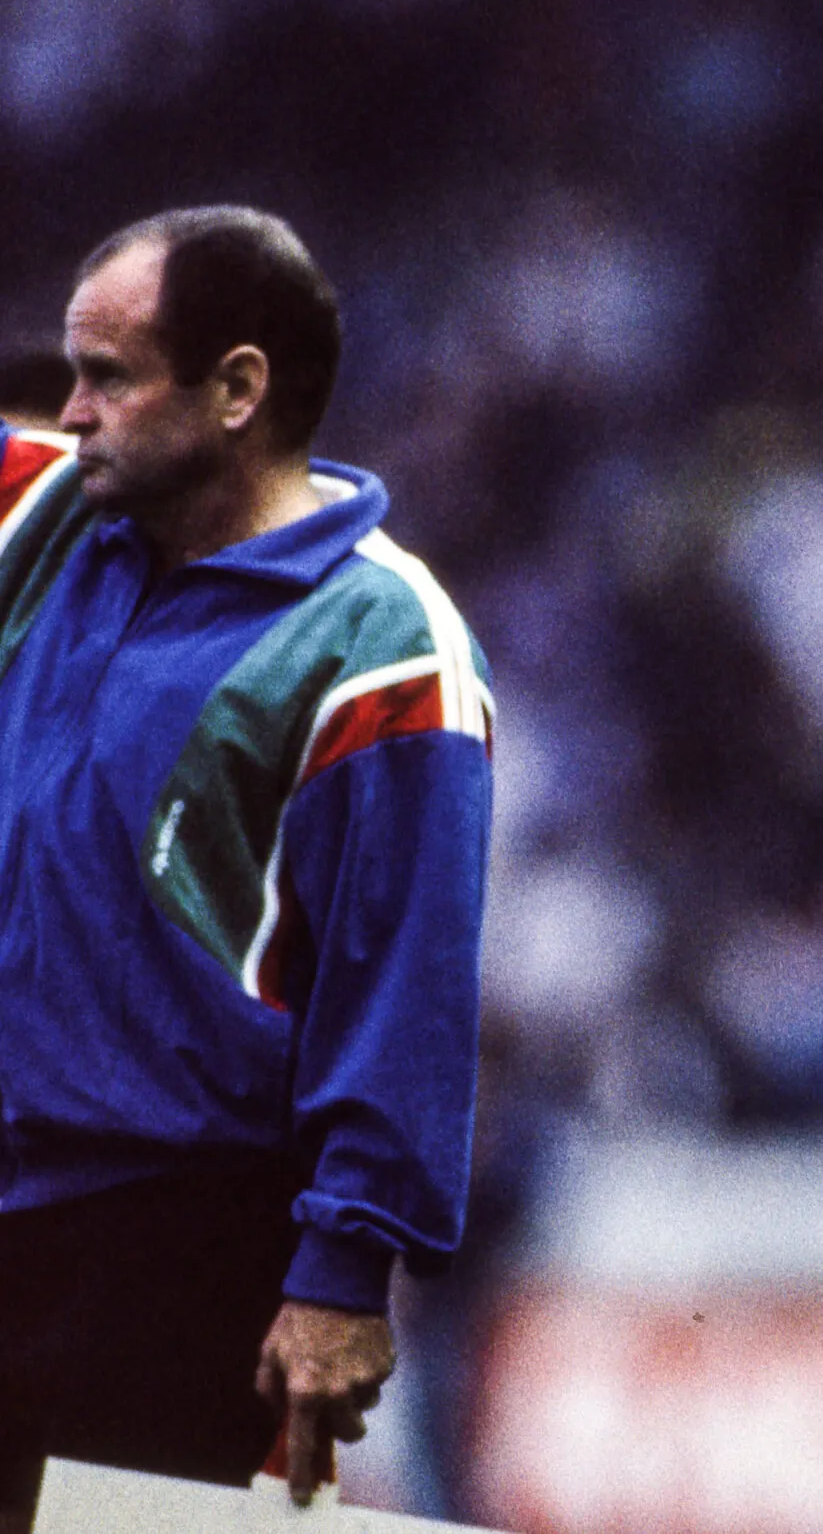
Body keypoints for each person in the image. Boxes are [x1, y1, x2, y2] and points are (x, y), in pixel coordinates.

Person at [0, 208, 491, 1522]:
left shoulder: (382, 638)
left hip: (172, 1232)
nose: (71, 409)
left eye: (107, 376)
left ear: (237, 388)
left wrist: (345, 1269)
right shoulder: (51, 522)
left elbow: (406, 985)